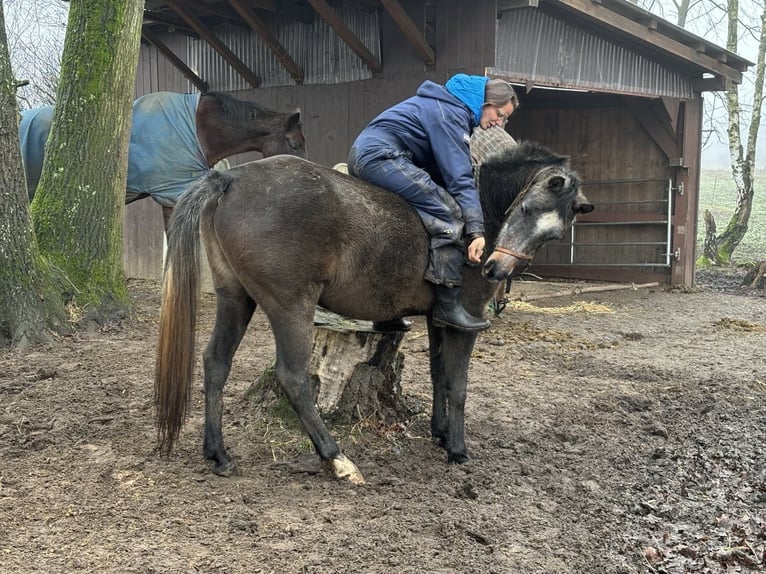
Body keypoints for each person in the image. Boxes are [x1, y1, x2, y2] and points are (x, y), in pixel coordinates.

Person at [348, 74, 519, 332]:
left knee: (408, 219)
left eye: (505, 119)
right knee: (449, 215)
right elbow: (459, 178)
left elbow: (445, 172)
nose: (499, 122)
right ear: (486, 103)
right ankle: (447, 306)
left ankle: (386, 310)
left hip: (370, 154)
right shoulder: (450, 113)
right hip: (382, 157)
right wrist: (475, 229)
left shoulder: (447, 105)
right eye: (500, 114)